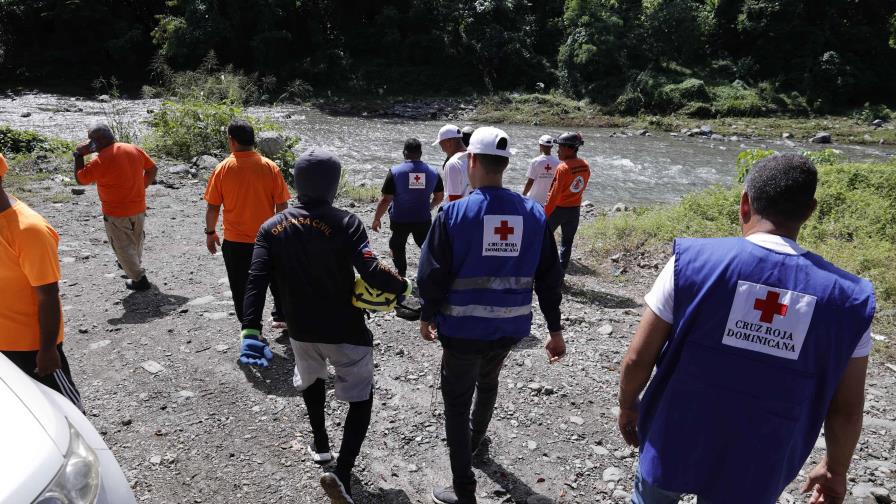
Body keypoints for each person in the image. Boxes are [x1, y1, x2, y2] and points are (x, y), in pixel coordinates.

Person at [617, 154, 875, 504]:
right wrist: (835, 468)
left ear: (744, 203)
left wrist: (629, 402)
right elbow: (847, 408)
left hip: (674, 437)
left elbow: (637, 357)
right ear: (810, 211)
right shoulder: (849, 300)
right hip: (762, 455)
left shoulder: (691, 262)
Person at [241, 148, 411, 504]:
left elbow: (256, 279)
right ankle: (343, 472)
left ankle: (321, 445)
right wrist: (404, 288)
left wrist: (250, 329)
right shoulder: (346, 221)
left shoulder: (270, 228)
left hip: (300, 330)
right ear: (334, 185)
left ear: (296, 183)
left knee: (312, 380)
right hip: (345, 328)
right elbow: (370, 269)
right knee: (360, 397)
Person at [417, 127, 567, 504]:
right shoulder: (534, 214)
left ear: (471, 161)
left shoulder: (453, 213)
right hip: (509, 330)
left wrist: (427, 314)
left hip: (463, 330)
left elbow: (431, 274)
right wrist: (554, 328)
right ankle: (475, 442)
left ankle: (463, 487)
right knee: (488, 383)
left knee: (455, 399)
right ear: (506, 164)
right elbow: (550, 278)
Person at [0, 153, 82, 409]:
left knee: (65, 410)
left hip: (30, 345)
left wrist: (47, 350)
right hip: (4, 343)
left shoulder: (29, 231)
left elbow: (48, 295)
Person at [204, 119, 291, 329]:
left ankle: (251, 328)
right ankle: (282, 316)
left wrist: (210, 232)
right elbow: (282, 205)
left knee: (241, 286)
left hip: (236, 241)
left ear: (231, 141)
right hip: (268, 238)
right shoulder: (270, 167)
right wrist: (281, 233)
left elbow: (213, 207)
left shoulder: (223, 169)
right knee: (277, 279)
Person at [73, 123, 158, 291]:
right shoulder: (132, 148)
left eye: (92, 140)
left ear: (100, 141)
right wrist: (143, 186)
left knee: (122, 245)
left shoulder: (100, 160)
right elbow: (152, 169)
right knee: (136, 239)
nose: (90, 143)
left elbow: (81, 179)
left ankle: (139, 280)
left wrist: (78, 155)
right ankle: (132, 268)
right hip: (138, 206)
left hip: (116, 212)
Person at [371, 138, 444, 277]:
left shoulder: (395, 172)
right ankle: (431, 273)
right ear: (421, 153)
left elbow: (385, 200)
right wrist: (429, 207)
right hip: (423, 219)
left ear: (404, 153)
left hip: (400, 219)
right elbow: (439, 197)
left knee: (397, 245)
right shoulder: (433, 172)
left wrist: (377, 219)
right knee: (426, 247)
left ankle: (401, 274)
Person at [543, 132, 590, 275]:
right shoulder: (585, 165)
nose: (557, 150)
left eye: (560, 147)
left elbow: (554, 195)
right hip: (574, 211)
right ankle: (560, 275)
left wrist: (544, 214)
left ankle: (541, 270)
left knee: (543, 240)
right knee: (566, 244)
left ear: (570, 148)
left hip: (557, 210)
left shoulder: (563, 168)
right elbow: (581, 187)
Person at [433, 123, 472, 202]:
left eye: (441, 145)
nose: (443, 150)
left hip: (457, 211)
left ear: (448, 141)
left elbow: (454, 199)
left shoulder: (453, 164)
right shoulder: (476, 158)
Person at [522, 135, 561, 206]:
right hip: (550, 199)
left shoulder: (535, 161)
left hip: (534, 199)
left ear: (540, 145)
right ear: (551, 146)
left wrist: (523, 196)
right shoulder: (558, 162)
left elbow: (530, 182)